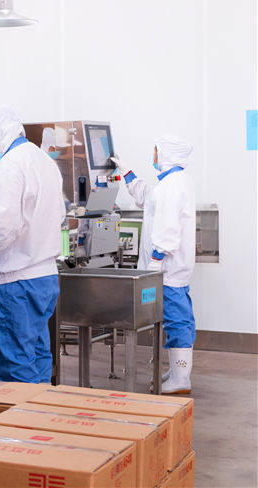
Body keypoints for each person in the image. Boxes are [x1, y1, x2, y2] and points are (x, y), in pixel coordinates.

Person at [0, 105, 65, 383]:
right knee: (38, 355)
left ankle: (20, 411)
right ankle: (40, 409)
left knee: (16, 366)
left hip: (16, 282)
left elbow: (2, 226)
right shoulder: (44, 161)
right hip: (44, 278)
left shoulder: (8, 167)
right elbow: (60, 214)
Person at [111, 135, 195, 394]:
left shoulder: (172, 185)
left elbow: (168, 228)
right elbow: (149, 199)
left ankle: (181, 378)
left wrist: (156, 262)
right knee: (176, 319)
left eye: (156, 151)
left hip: (168, 270)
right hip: (172, 270)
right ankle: (178, 371)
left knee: (176, 320)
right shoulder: (173, 182)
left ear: (167, 153)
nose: (154, 155)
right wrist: (127, 174)